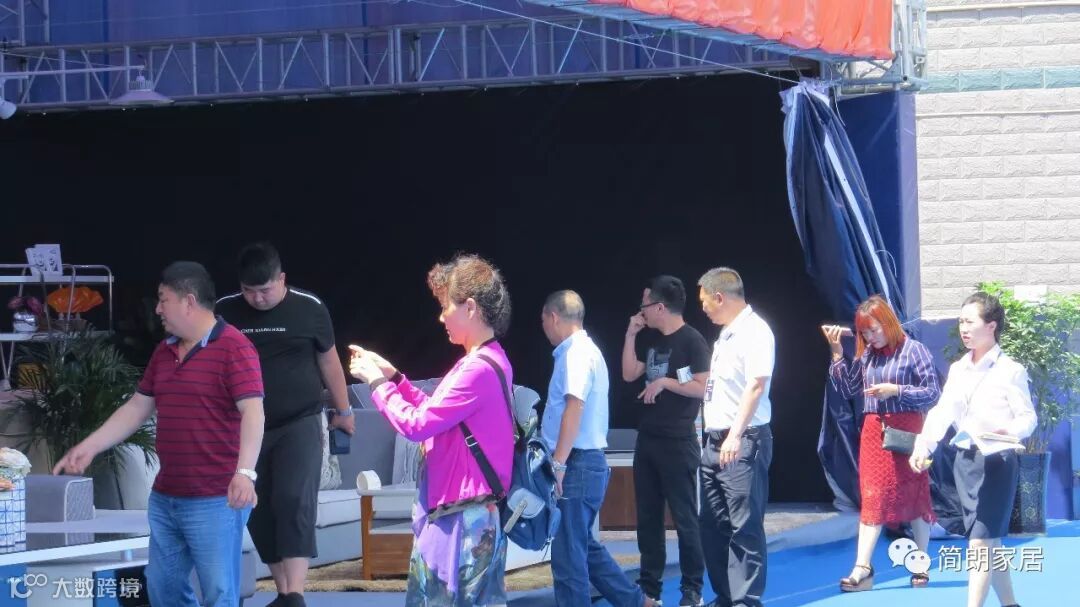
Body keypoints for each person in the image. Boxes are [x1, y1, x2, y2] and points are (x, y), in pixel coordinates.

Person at [54, 261, 265, 607]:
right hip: (167, 496)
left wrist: (245, 473)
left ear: (188, 301)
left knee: (218, 593)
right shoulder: (164, 351)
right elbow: (138, 406)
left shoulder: (234, 347)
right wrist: (89, 446)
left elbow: (253, 412)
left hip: (215, 498)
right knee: (162, 588)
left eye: (163, 299)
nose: (157, 309)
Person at [348, 253, 514, 606]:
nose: (441, 317)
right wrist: (395, 378)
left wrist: (377, 383)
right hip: (469, 513)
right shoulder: (489, 360)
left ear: (470, 307)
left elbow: (417, 424)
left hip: (459, 518)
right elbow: (436, 414)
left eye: (445, 306)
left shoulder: (476, 369)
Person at [216, 242, 354, 607]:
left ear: (282, 279)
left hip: (300, 421)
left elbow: (329, 362)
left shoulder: (310, 308)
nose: (258, 298)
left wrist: (344, 410)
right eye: (250, 291)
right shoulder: (224, 312)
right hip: (246, 428)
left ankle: (296, 594)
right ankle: (283, 592)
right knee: (256, 505)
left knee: (294, 498)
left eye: (265, 290)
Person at [910, 292, 1035, 607]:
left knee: (980, 543)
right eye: (961, 322)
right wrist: (923, 445)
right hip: (965, 462)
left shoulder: (1010, 370)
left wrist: (1011, 431)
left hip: (997, 462)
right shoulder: (958, 369)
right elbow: (943, 412)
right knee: (989, 542)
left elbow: (1028, 417)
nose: (963, 328)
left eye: (970, 322)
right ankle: (1011, 604)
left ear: (991, 326)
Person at [541, 290, 659, 607]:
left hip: (575, 464)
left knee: (568, 557)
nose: (544, 328)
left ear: (553, 317)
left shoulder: (576, 354)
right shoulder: (582, 351)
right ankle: (637, 602)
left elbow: (574, 407)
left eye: (544, 321)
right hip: (583, 463)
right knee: (583, 546)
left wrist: (558, 464)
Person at [823, 295, 941, 591]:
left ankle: (921, 562)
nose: (870, 337)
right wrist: (837, 353)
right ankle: (862, 567)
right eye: (864, 332)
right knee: (873, 496)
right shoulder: (868, 354)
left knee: (915, 496)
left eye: (874, 330)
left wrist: (896, 390)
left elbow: (932, 393)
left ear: (888, 323)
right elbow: (848, 389)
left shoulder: (915, 350)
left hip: (908, 431)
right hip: (874, 431)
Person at [621, 275, 710, 607]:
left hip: (678, 440)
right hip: (648, 440)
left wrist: (665, 383)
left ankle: (692, 588)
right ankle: (650, 588)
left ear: (660, 307)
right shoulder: (653, 340)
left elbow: (702, 385)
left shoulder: (692, 341)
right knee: (648, 519)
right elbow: (629, 373)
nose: (641, 310)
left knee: (685, 519)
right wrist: (631, 334)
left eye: (645, 305)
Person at [695, 267, 773, 607]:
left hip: (741, 439)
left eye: (704, 301)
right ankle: (725, 596)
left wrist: (735, 435)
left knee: (744, 525)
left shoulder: (755, 331)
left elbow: (756, 385)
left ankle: (746, 601)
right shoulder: (726, 334)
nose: (703, 308)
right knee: (713, 524)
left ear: (719, 297)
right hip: (714, 441)